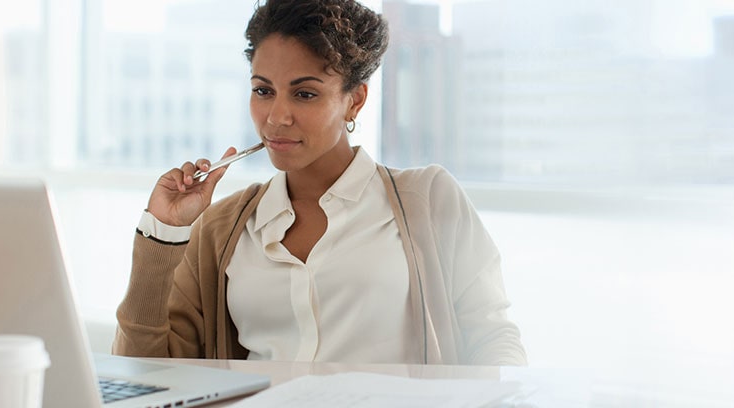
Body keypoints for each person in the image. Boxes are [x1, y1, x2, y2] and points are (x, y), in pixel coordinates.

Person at [112, 0, 526, 366]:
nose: (276, 117)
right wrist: (164, 230)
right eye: (263, 90)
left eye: (304, 94)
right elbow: (146, 373)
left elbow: (492, 337)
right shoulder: (222, 228)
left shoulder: (430, 199)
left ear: (355, 99)